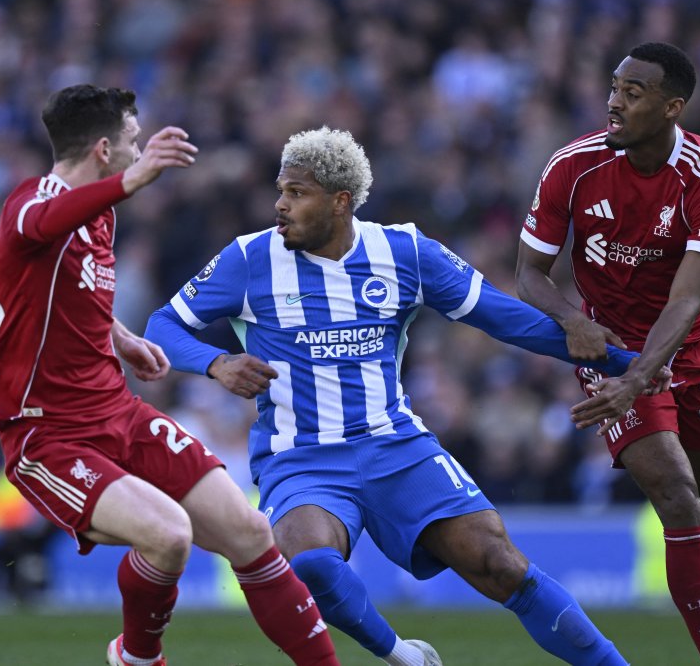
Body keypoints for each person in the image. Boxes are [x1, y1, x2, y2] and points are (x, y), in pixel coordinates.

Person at [145, 126, 649, 665]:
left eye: (296, 193)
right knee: (311, 563)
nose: (280, 206)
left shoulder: (404, 251)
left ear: (340, 203)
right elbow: (162, 326)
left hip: (397, 448)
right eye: (281, 190)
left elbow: (505, 319)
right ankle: (402, 655)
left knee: (500, 563)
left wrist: (631, 363)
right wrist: (216, 362)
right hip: (303, 458)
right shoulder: (249, 259)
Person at [0, 84, 338, 666]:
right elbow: (42, 226)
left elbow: (55, 289)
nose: (139, 149)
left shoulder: (99, 220)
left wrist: (120, 337)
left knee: (248, 531)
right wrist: (132, 180)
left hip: (116, 410)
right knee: (169, 536)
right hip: (47, 434)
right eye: (132, 141)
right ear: (103, 148)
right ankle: (138, 659)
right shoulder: (29, 202)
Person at [515, 42, 700, 666]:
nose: (614, 101)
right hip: (610, 352)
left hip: (689, 349)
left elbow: (689, 296)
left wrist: (645, 376)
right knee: (676, 495)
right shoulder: (572, 167)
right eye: (614, 87)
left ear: (672, 108)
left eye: (633, 92)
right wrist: (572, 322)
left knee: (698, 506)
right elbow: (529, 273)